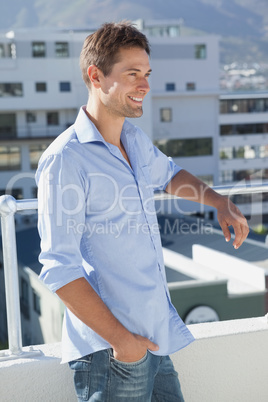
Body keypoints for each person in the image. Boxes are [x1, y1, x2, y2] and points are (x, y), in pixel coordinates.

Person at [36, 21, 249, 401]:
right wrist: (123, 343)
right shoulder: (65, 159)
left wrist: (219, 201)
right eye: (132, 74)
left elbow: (168, 175)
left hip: (153, 340)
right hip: (112, 353)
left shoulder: (133, 139)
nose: (145, 85)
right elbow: (59, 267)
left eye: (146, 74)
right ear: (96, 76)